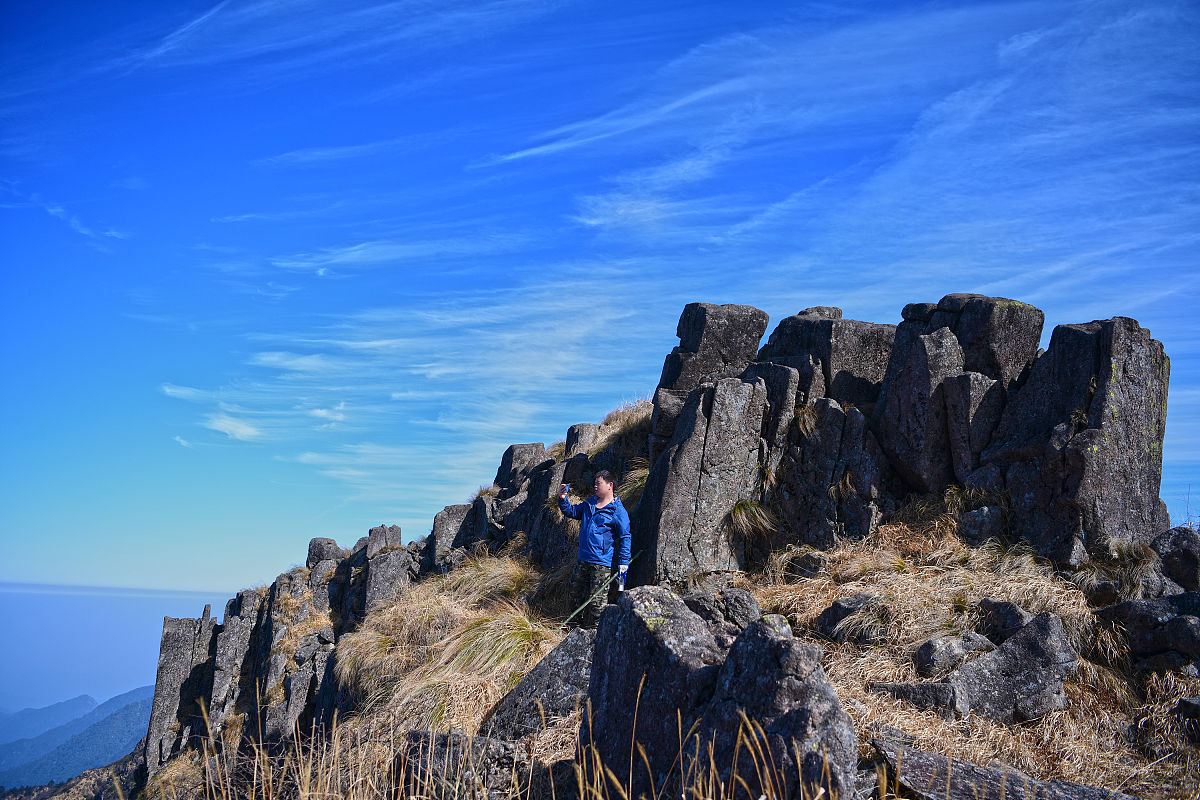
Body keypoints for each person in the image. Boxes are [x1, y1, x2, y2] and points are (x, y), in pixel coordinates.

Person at [558, 470, 631, 628]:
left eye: (598, 483)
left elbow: (625, 537)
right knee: (574, 592)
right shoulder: (590, 503)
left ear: (610, 485)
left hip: (601, 562)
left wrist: (623, 562)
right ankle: (573, 627)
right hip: (583, 558)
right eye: (595, 483)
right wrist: (563, 498)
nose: (595, 486)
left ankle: (595, 634)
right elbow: (572, 511)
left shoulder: (617, 511)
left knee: (597, 602)